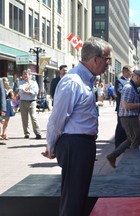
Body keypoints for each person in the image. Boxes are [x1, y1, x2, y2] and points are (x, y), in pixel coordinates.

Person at [42, 36, 113, 216]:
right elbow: (57, 118)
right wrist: (51, 145)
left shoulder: (87, 80)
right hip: (75, 144)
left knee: (79, 196)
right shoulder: (73, 81)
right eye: (107, 59)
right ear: (95, 59)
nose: (108, 64)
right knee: (73, 198)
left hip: (83, 144)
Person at [106, 70, 140, 168]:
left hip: (130, 116)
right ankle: (131, 163)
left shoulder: (132, 87)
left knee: (132, 138)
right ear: (136, 77)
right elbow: (126, 105)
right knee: (135, 139)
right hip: (128, 117)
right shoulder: (129, 88)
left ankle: (113, 155)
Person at [18, 69, 42, 139]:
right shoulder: (20, 82)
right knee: (24, 119)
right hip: (23, 102)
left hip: (32, 102)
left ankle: (38, 133)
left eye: (26, 74)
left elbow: (35, 92)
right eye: (24, 74)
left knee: (34, 118)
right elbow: (21, 91)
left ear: (29, 75)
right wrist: (27, 90)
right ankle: (26, 133)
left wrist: (26, 91)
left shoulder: (34, 83)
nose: (25, 76)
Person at [114, 65, 133, 148]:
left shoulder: (130, 81)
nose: (132, 73)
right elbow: (119, 92)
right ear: (125, 72)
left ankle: (125, 144)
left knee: (127, 126)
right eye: (130, 71)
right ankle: (118, 145)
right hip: (121, 108)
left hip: (129, 108)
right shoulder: (119, 81)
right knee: (121, 126)